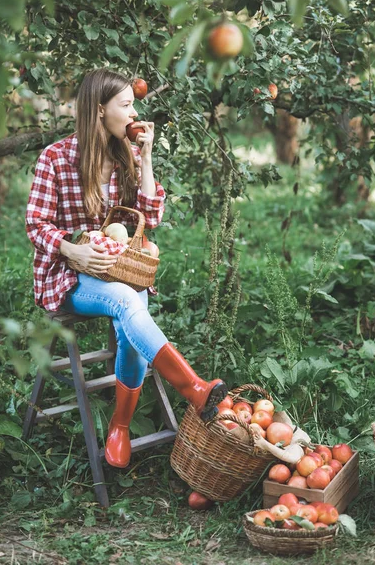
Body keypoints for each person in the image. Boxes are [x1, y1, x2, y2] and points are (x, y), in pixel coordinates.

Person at [25, 68, 227, 468]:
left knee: (130, 303)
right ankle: (194, 388)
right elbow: (36, 224)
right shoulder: (55, 158)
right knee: (127, 300)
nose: (135, 113)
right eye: (127, 105)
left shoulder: (125, 155)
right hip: (68, 277)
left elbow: (149, 216)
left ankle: (120, 426)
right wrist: (71, 250)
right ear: (100, 110)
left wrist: (147, 158)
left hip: (118, 269)